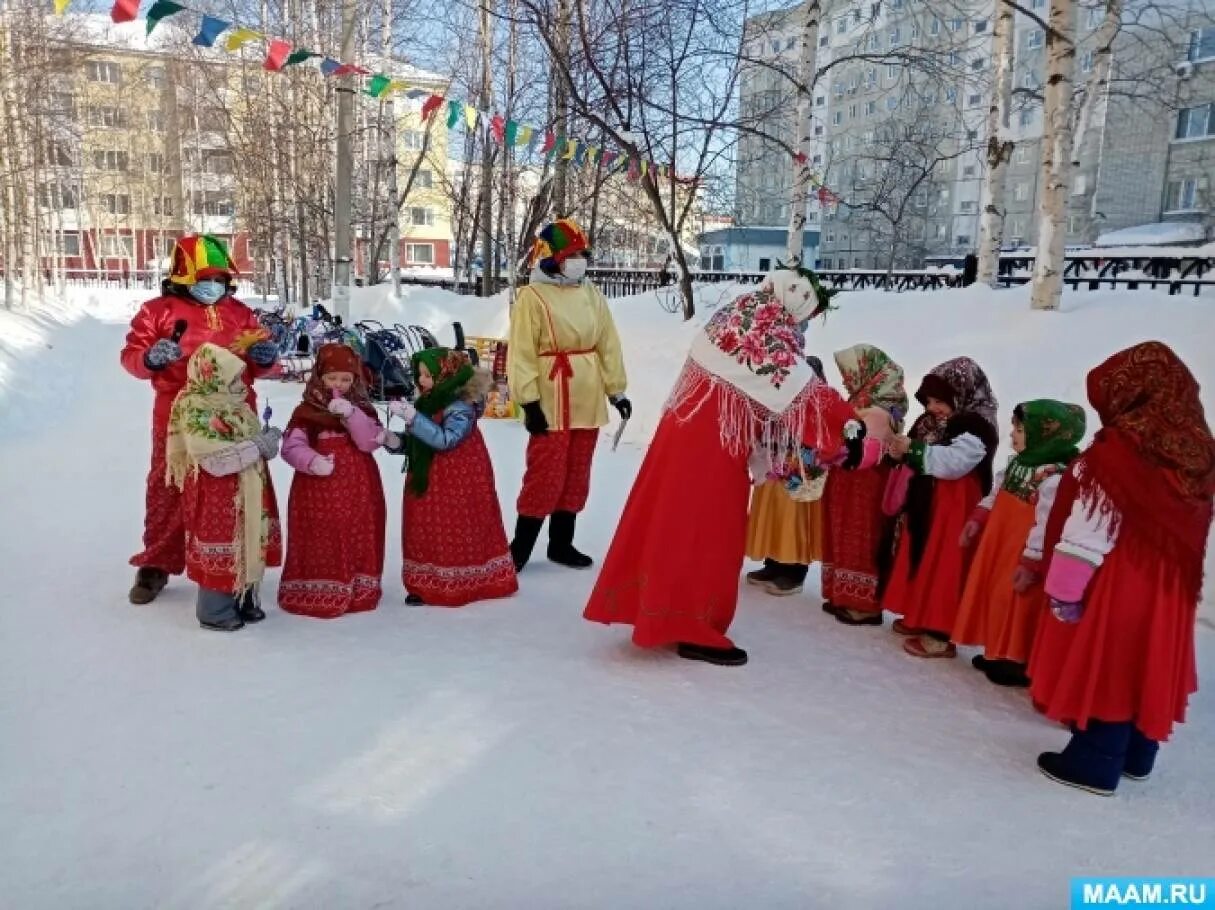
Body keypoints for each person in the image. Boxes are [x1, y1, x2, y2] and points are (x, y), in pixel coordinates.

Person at [583, 268, 889, 667]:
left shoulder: (742, 312)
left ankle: (659, 609)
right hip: (710, 448)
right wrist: (854, 433)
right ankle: (692, 626)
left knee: (672, 524)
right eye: (807, 316)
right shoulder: (763, 332)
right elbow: (803, 394)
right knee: (710, 534)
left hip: (687, 435)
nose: (805, 325)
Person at [1029, 342, 1213, 796]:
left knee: (1112, 661)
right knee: (1150, 659)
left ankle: (1095, 761)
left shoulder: (1120, 451)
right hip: (1172, 582)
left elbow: (1090, 524)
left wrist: (1064, 590)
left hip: (1120, 576)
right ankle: (1137, 754)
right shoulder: (1198, 451)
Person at [120, 234, 279, 605]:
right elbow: (131, 356)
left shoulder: (240, 313)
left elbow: (265, 364)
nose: (214, 286)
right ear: (183, 275)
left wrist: (266, 356)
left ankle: (237, 560)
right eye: (206, 278)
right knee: (168, 486)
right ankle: (156, 564)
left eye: (220, 279)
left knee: (236, 486)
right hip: (178, 415)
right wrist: (150, 359)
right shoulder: (156, 311)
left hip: (236, 414)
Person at [507, 219, 629, 572]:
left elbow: (608, 343)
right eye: (572, 254)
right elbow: (522, 352)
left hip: (586, 392)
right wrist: (528, 401)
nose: (580, 260)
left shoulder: (590, 292)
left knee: (577, 470)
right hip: (551, 395)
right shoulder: (532, 297)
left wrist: (616, 390)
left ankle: (561, 543)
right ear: (552, 258)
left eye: (582, 253)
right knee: (545, 471)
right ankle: (521, 546)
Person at [951, 400, 1085, 686]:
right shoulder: (1018, 464)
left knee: (1015, 599)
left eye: (1021, 429)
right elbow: (996, 493)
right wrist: (978, 517)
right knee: (995, 595)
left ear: (1044, 435)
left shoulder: (1054, 476)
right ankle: (996, 649)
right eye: (1014, 427)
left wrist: (1031, 560)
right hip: (999, 542)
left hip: (1022, 548)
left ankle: (1015, 659)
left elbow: (1048, 523)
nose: (1013, 434)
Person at [882, 357, 999, 659]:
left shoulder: (975, 425)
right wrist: (901, 452)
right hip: (931, 501)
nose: (933, 407)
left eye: (939, 400)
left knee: (945, 563)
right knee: (924, 555)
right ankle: (919, 615)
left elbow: (954, 463)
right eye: (929, 400)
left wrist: (915, 450)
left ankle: (940, 631)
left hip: (956, 504)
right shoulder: (935, 421)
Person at [387, 348, 518, 607]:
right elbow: (419, 440)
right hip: (428, 479)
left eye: (428, 375)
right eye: (419, 374)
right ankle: (425, 583)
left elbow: (446, 440)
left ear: (447, 375)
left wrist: (413, 418)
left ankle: (465, 581)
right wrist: (393, 441)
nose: (421, 380)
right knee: (424, 527)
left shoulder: (461, 406)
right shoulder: (428, 400)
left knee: (456, 525)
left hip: (459, 479)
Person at [165, 344, 283, 632]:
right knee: (223, 545)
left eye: (239, 377)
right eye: (232, 378)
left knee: (251, 537)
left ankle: (245, 599)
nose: (239, 384)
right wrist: (257, 446)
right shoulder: (195, 405)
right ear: (211, 376)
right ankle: (215, 610)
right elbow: (213, 458)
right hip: (218, 492)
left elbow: (252, 440)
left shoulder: (237, 404)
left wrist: (266, 441)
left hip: (250, 486)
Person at [278, 344, 388, 619]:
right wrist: (311, 461)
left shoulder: (363, 407)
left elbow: (369, 442)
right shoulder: (307, 409)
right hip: (317, 488)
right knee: (322, 533)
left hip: (359, 486)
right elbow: (292, 445)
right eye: (332, 378)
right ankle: (316, 588)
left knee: (358, 531)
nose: (339, 384)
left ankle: (358, 585)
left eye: (346, 379)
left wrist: (352, 416)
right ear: (320, 376)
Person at [820, 344, 909, 626]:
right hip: (849, 482)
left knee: (860, 538)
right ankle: (843, 594)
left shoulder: (878, 411)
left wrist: (834, 449)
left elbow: (864, 452)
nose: (846, 380)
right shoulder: (867, 402)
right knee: (844, 535)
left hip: (863, 485)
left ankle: (862, 603)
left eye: (850, 374)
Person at [744, 357, 828, 597]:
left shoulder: (819, 402)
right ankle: (773, 563)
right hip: (775, 463)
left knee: (793, 517)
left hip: (799, 469)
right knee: (772, 514)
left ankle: (793, 571)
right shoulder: (780, 396)